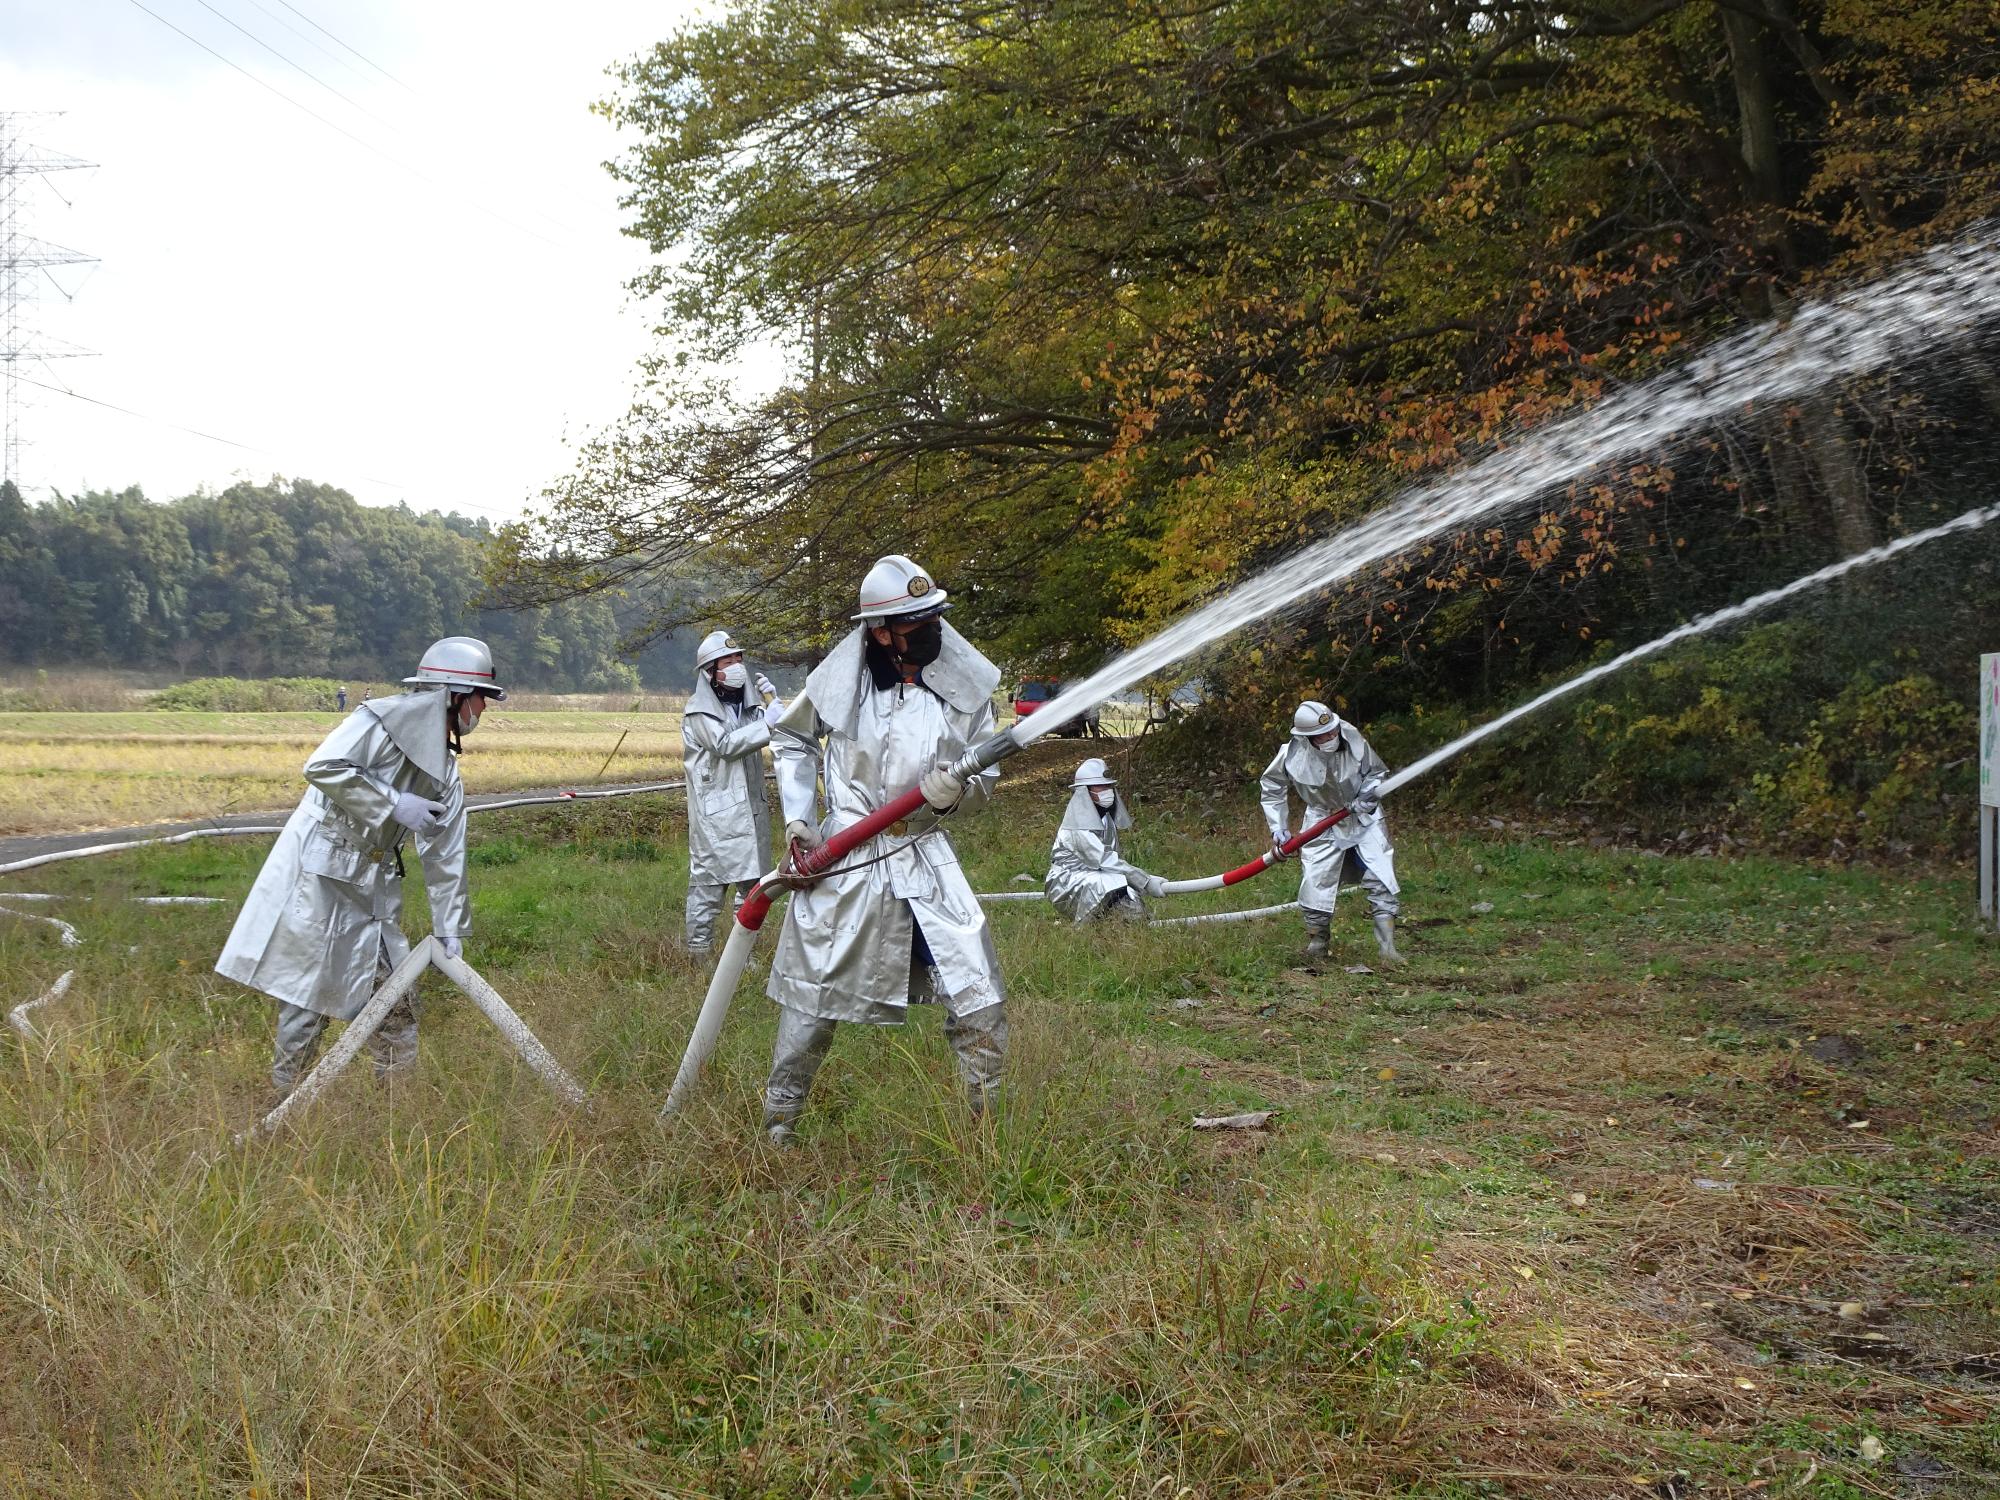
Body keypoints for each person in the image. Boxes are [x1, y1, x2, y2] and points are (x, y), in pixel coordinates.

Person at [759, 554, 1006, 1143]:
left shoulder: (963, 686)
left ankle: (984, 1135)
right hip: (846, 859)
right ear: (881, 631)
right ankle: (777, 1128)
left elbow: (986, 776)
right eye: (916, 621)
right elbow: (792, 740)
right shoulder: (843, 683)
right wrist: (800, 823)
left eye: (932, 616)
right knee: (812, 1005)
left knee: (980, 998)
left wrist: (955, 795)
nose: (932, 631)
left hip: (924, 856)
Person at [216, 636, 504, 1095]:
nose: (483, 711)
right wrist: (392, 804)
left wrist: (451, 926)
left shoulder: (445, 772)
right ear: (453, 695)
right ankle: (284, 1105)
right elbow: (323, 765)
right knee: (306, 997)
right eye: (481, 699)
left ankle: (392, 1112)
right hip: (320, 873)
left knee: (395, 998)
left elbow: (446, 850)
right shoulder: (375, 722)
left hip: (373, 888)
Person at [1260, 699, 1403, 963]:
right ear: (1307, 738)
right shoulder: (1290, 754)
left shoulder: (1352, 738)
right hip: (1321, 821)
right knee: (1316, 885)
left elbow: (1376, 772)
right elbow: (1271, 787)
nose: (1330, 736)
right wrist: (1278, 827)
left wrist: (1367, 795)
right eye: (1323, 734)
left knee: (1381, 877)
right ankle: (1318, 944)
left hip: (1363, 818)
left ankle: (1388, 948)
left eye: (1332, 730)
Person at [681, 629, 783, 955]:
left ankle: (741, 958)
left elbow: (777, 733)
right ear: (711, 670)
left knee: (753, 891)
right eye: (728, 660)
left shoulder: (749, 707)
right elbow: (725, 745)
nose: (737, 664)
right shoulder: (699, 711)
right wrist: (767, 725)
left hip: (751, 812)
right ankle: (698, 958)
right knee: (708, 889)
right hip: (716, 817)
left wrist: (776, 708)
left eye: (739, 657)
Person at [1044, 757, 1168, 921]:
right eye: (1101, 786)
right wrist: (1145, 881)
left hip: (1097, 876)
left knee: (1128, 893)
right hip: (1067, 881)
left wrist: (1136, 883)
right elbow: (1105, 860)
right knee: (1111, 885)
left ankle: (1121, 924)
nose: (1107, 790)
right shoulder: (1077, 826)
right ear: (1085, 791)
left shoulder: (1105, 819)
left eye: (1109, 786)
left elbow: (1113, 861)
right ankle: (1087, 930)